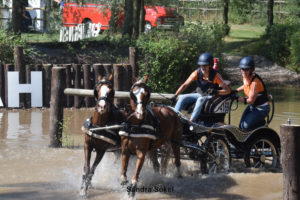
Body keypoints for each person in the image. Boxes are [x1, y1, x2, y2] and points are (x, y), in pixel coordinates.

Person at [171, 52, 231, 122]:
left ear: (210, 65)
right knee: (182, 97)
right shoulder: (196, 73)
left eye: (205, 65)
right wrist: (175, 95)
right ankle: (174, 118)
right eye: (201, 65)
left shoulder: (216, 76)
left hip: (211, 96)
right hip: (200, 94)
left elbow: (228, 90)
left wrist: (216, 91)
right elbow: (185, 85)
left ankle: (191, 121)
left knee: (200, 99)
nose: (203, 67)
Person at [235, 56, 270, 131]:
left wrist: (237, 98)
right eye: (242, 69)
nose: (244, 71)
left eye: (246, 69)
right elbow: (245, 85)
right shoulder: (245, 77)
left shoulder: (255, 83)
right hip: (253, 106)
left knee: (245, 127)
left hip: (262, 108)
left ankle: (261, 127)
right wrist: (235, 91)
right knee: (241, 126)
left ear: (251, 70)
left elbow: (250, 101)